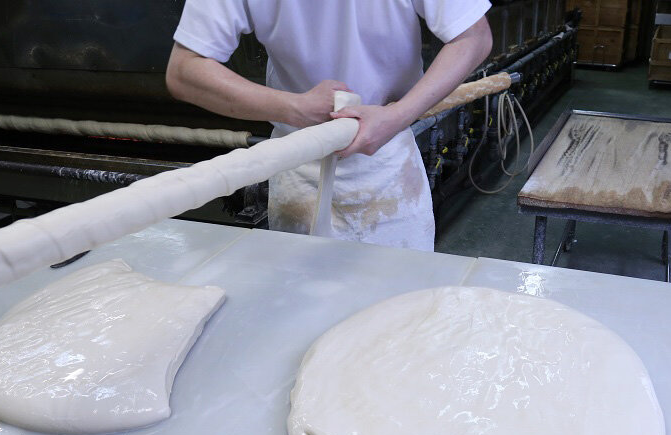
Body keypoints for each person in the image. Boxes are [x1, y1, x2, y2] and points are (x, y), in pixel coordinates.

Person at [167, 1, 493, 251]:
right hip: (299, 160)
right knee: (305, 307)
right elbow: (184, 71)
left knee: (397, 308)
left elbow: (474, 37)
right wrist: (294, 107)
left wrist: (396, 117)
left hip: (385, 161)